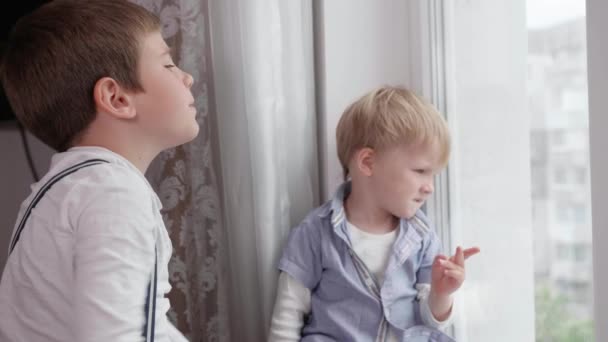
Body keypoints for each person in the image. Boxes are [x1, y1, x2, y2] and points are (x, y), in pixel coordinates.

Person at [0, 1, 198, 341]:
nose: (187, 77)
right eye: (168, 64)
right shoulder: (116, 193)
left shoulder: (60, 190)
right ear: (117, 98)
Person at [268, 85, 480, 341]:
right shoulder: (315, 233)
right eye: (421, 171)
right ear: (368, 163)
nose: (430, 188)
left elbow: (430, 320)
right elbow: (287, 316)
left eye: (433, 175)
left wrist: (442, 293)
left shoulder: (422, 237)